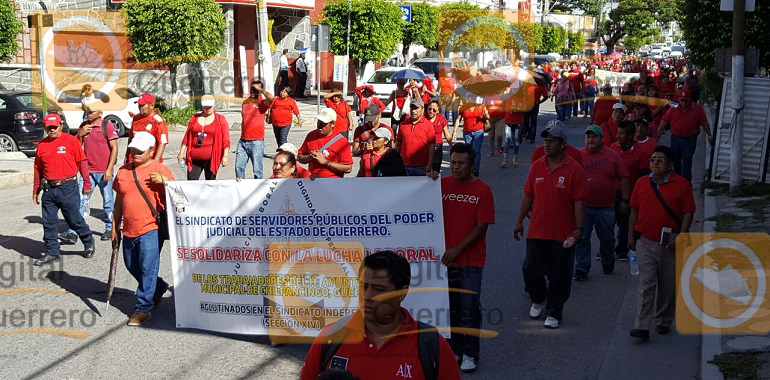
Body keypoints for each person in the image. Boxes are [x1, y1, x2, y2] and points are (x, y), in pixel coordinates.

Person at [300, 251, 461, 380]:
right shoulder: (331, 337)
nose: (367, 296)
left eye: (378, 289)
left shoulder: (431, 345)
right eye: (364, 286)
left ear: (402, 293)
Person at [514, 124, 586, 328]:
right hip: (537, 229)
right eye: (545, 140)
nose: (547, 144)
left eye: (552, 140)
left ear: (563, 145)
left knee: (559, 275)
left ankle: (554, 311)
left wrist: (579, 228)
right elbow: (528, 195)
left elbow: (579, 203)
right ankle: (539, 298)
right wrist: (519, 221)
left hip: (563, 233)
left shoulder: (575, 170)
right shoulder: (537, 165)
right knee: (530, 270)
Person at [436, 143, 495, 372]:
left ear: (472, 165)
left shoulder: (483, 190)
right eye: (452, 163)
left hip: (470, 261)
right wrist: (428, 179)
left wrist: (457, 249)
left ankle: (471, 353)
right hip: (444, 261)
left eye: (461, 163)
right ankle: (455, 349)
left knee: (468, 306)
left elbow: (482, 226)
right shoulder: (440, 186)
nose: (456, 167)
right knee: (449, 307)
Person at [629, 146, 695, 341]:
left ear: (670, 165)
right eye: (652, 159)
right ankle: (641, 325)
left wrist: (681, 236)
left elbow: (688, 212)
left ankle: (663, 321)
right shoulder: (641, 183)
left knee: (667, 286)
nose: (655, 163)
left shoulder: (682, 184)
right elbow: (634, 210)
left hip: (670, 243)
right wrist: (631, 236)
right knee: (647, 284)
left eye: (660, 160)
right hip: (646, 241)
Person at [111, 132, 174, 326]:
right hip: (129, 228)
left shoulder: (160, 169)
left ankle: (143, 308)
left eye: (140, 150)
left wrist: (166, 182)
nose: (135, 152)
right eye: (133, 149)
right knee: (132, 265)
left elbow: (180, 194)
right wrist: (114, 226)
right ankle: (158, 287)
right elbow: (119, 201)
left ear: (151, 151)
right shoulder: (123, 172)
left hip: (151, 228)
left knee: (148, 267)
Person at [33, 114, 95, 266]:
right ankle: (52, 252)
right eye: (49, 127)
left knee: (74, 220)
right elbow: (38, 169)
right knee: (49, 223)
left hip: (68, 188)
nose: (52, 129)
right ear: (45, 128)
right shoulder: (42, 145)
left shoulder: (71, 141)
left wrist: (87, 183)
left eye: (55, 126)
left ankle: (88, 240)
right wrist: (36, 189)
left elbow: (82, 162)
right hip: (49, 189)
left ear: (61, 126)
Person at [573, 124, 629, 281]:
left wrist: (625, 200)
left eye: (594, 137)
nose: (590, 140)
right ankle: (581, 268)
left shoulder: (612, 156)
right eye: (588, 137)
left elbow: (624, 177)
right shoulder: (578, 156)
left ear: (602, 139)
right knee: (582, 238)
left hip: (605, 208)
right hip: (583, 207)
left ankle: (608, 261)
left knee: (607, 238)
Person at [59, 109, 119, 244]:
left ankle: (110, 228)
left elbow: (114, 148)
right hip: (87, 172)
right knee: (80, 200)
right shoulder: (83, 126)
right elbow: (75, 146)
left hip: (104, 172)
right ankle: (74, 232)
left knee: (108, 202)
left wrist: (109, 169)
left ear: (99, 113)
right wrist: (80, 134)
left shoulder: (106, 125)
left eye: (91, 111)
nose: (88, 113)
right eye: (87, 111)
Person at [611, 121, 650, 261]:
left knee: (624, 224)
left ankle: (622, 249)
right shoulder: (613, 148)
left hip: (630, 194)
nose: (618, 136)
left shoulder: (641, 153)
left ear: (631, 136)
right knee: (608, 223)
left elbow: (643, 178)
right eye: (618, 132)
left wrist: (628, 200)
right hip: (610, 194)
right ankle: (607, 250)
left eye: (621, 133)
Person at [657, 89, 714, 182]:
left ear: (690, 100)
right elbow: (665, 120)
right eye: (682, 100)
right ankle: (676, 179)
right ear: (679, 99)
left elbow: (704, 123)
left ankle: (686, 181)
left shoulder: (697, 109)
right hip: (676, 139)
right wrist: (659, 131)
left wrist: (709, 135)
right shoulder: (673, 108)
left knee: (687, 160)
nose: (683, 103)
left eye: (686, 101)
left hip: (690, 140)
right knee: (675, 161)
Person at [177, 95, 230, 180]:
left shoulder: (220, 119)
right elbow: (187, 136)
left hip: (211, 158)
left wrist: (225, 156)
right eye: (205, 107)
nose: (207, 109)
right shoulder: (195, 118)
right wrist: (181, 152)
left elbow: (226, 140)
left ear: (214, 105)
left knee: (210, 184)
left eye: (209, 106)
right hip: (194, 157)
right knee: (192, 182)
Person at [298, 108, 353, 178]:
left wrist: (327, 162)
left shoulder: (342, 141)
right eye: (319, 121)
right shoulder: (311, 135)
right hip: (313, 182)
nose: (320, 125)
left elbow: (348, 168)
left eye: (324, 123)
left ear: (332, 124)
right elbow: (300, 156)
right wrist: (309, 157)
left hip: (332, 183)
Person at [236, 79, 274, 180]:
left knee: (257, 170)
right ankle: (240, 190)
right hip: (243, 141)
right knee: (239, 168)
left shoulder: (262, 102)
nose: (253, 92)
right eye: (252, 89)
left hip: (256, 141)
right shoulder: (245, 102)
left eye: (255, 90)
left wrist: (260, 90)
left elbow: (272, 98)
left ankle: (258, 191)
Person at [396, 98, 435, 176]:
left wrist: (429, 164)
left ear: (422, 109)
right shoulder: (403, 125)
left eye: (416, 108)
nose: (413, 111)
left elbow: (432, 146)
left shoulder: (428, 125)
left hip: (421, 166)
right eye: (412, 108)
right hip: (404, 166)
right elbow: (398, 144)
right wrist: (396, 162)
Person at [127, 94, 168, 163]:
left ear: (152, 105)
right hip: (134, 161)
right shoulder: (136, 118)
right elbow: (131, 138)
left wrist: (155, 163)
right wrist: (127, 156)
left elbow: (162, 143)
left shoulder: (159, 121)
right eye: (139, 104)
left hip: (149, 161)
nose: (140, 107)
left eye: (143, 105)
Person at [451, 100, 487, 176]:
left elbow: (487, 117)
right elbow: (458, 119)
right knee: (468, 151)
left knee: (476, 151)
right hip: (467, 132)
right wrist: (454, 131)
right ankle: (469, 167)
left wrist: (486, 114)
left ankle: (476, 168)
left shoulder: (481, 106)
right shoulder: (463, 107)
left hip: (478, 131)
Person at [425, 100, 449, 173]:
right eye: (429, 109)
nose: (431, 111)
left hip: (437, 146)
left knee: (436, 168)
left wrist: (452, 145)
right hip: (425, 146)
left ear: (438, 111)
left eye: (434, 110)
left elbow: (446, 134)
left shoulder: (441, 119)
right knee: (426, 169)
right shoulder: (423, 118)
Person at [523, 78, 549, 143]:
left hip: (527, 105)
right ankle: (532, 138)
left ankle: (529, 134)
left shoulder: (527, 86)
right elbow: (546, 96)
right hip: (535, 105)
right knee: (533, 122)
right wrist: (539, 102)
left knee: (526, 121)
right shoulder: (541, 87)